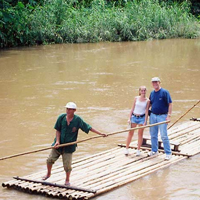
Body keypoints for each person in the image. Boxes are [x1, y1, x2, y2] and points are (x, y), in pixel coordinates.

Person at [43, 102, 107, 185]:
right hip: (58, 145)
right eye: (67, 109)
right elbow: (58, 130)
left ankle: (67, 180)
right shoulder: (61, 117)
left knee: (67, 166)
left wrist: (100, 134)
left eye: (70, 109)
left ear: (74, 110)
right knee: (49, 160)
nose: (68, 111)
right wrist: (57, 141)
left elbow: (88, 127)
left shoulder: (77, 120)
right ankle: (48, 174)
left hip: (69, 147)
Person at [148, 77, 172, 160]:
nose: (155, 84)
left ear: (159, 82)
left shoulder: (165, 92)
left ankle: (168, 153)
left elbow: (170, 104)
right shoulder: (152, 93)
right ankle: (154, 150)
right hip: (153, 115)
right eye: (153, 82)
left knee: (164, 135)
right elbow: (150, 104)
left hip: (162, 116)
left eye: (156, 82)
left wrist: (169, 116)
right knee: (153, 135)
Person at [125, 86, 150, 156]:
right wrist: (129, 118)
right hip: (134, 117)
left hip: (142, 118)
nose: (143, 92)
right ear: (139, 91)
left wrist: (145, 120)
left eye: (144, 90)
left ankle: (138, 150)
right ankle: (126, 148)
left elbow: (146, 111)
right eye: (142, 90)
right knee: (130, 133)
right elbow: (132, 108)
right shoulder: (136, 98)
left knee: (140, 134)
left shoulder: (147, 100)